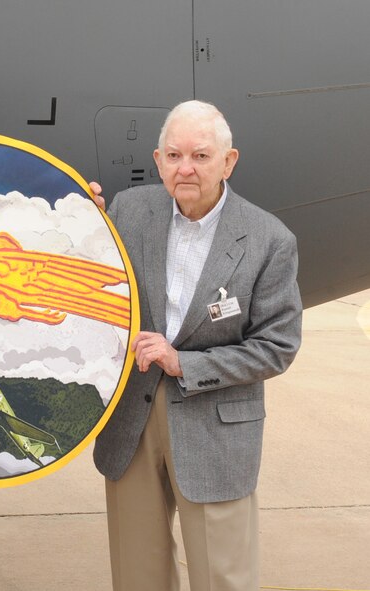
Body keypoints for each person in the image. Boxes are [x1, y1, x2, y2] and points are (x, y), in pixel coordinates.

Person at [93, 100, 303, 591]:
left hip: (215, 422)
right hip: (133, 422)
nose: (185, 168)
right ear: (158, 159)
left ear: (228, 162)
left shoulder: (269, 239)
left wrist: (184, 362)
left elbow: (278, 345)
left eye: (201, 156)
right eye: (173, 155)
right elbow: (68, 261)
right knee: (136, 574)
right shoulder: (127, 210)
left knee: (222, 576)